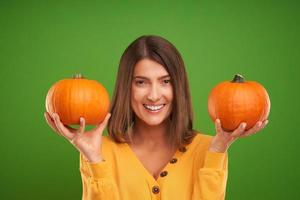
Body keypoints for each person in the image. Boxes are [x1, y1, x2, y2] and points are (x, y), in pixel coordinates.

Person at [44, 35, 268, 200]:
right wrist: (93, 158)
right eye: (141, 82)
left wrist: (217, 151)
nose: (153, 95)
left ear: (178, 87)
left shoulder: (209, 150)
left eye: (165, 81)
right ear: (127, 88)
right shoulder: (99, 151)